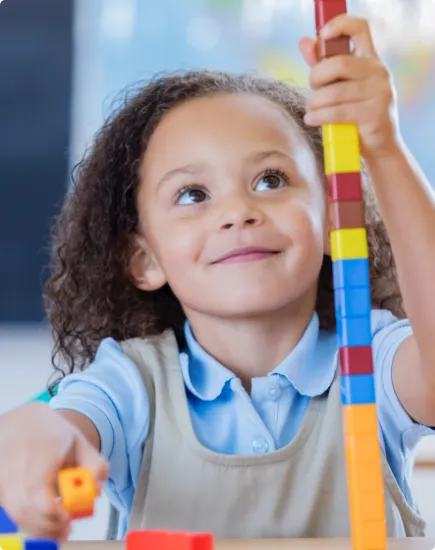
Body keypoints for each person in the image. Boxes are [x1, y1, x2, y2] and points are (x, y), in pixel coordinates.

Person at [1, 15, 434, 542]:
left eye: (271, 180)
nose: (238, 211)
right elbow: (63, 426)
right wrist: (28, 434)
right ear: (144, 260)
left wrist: (383, 149)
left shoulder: (371, 366)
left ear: (333, 221)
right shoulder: (133, 384)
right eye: (193, 194)